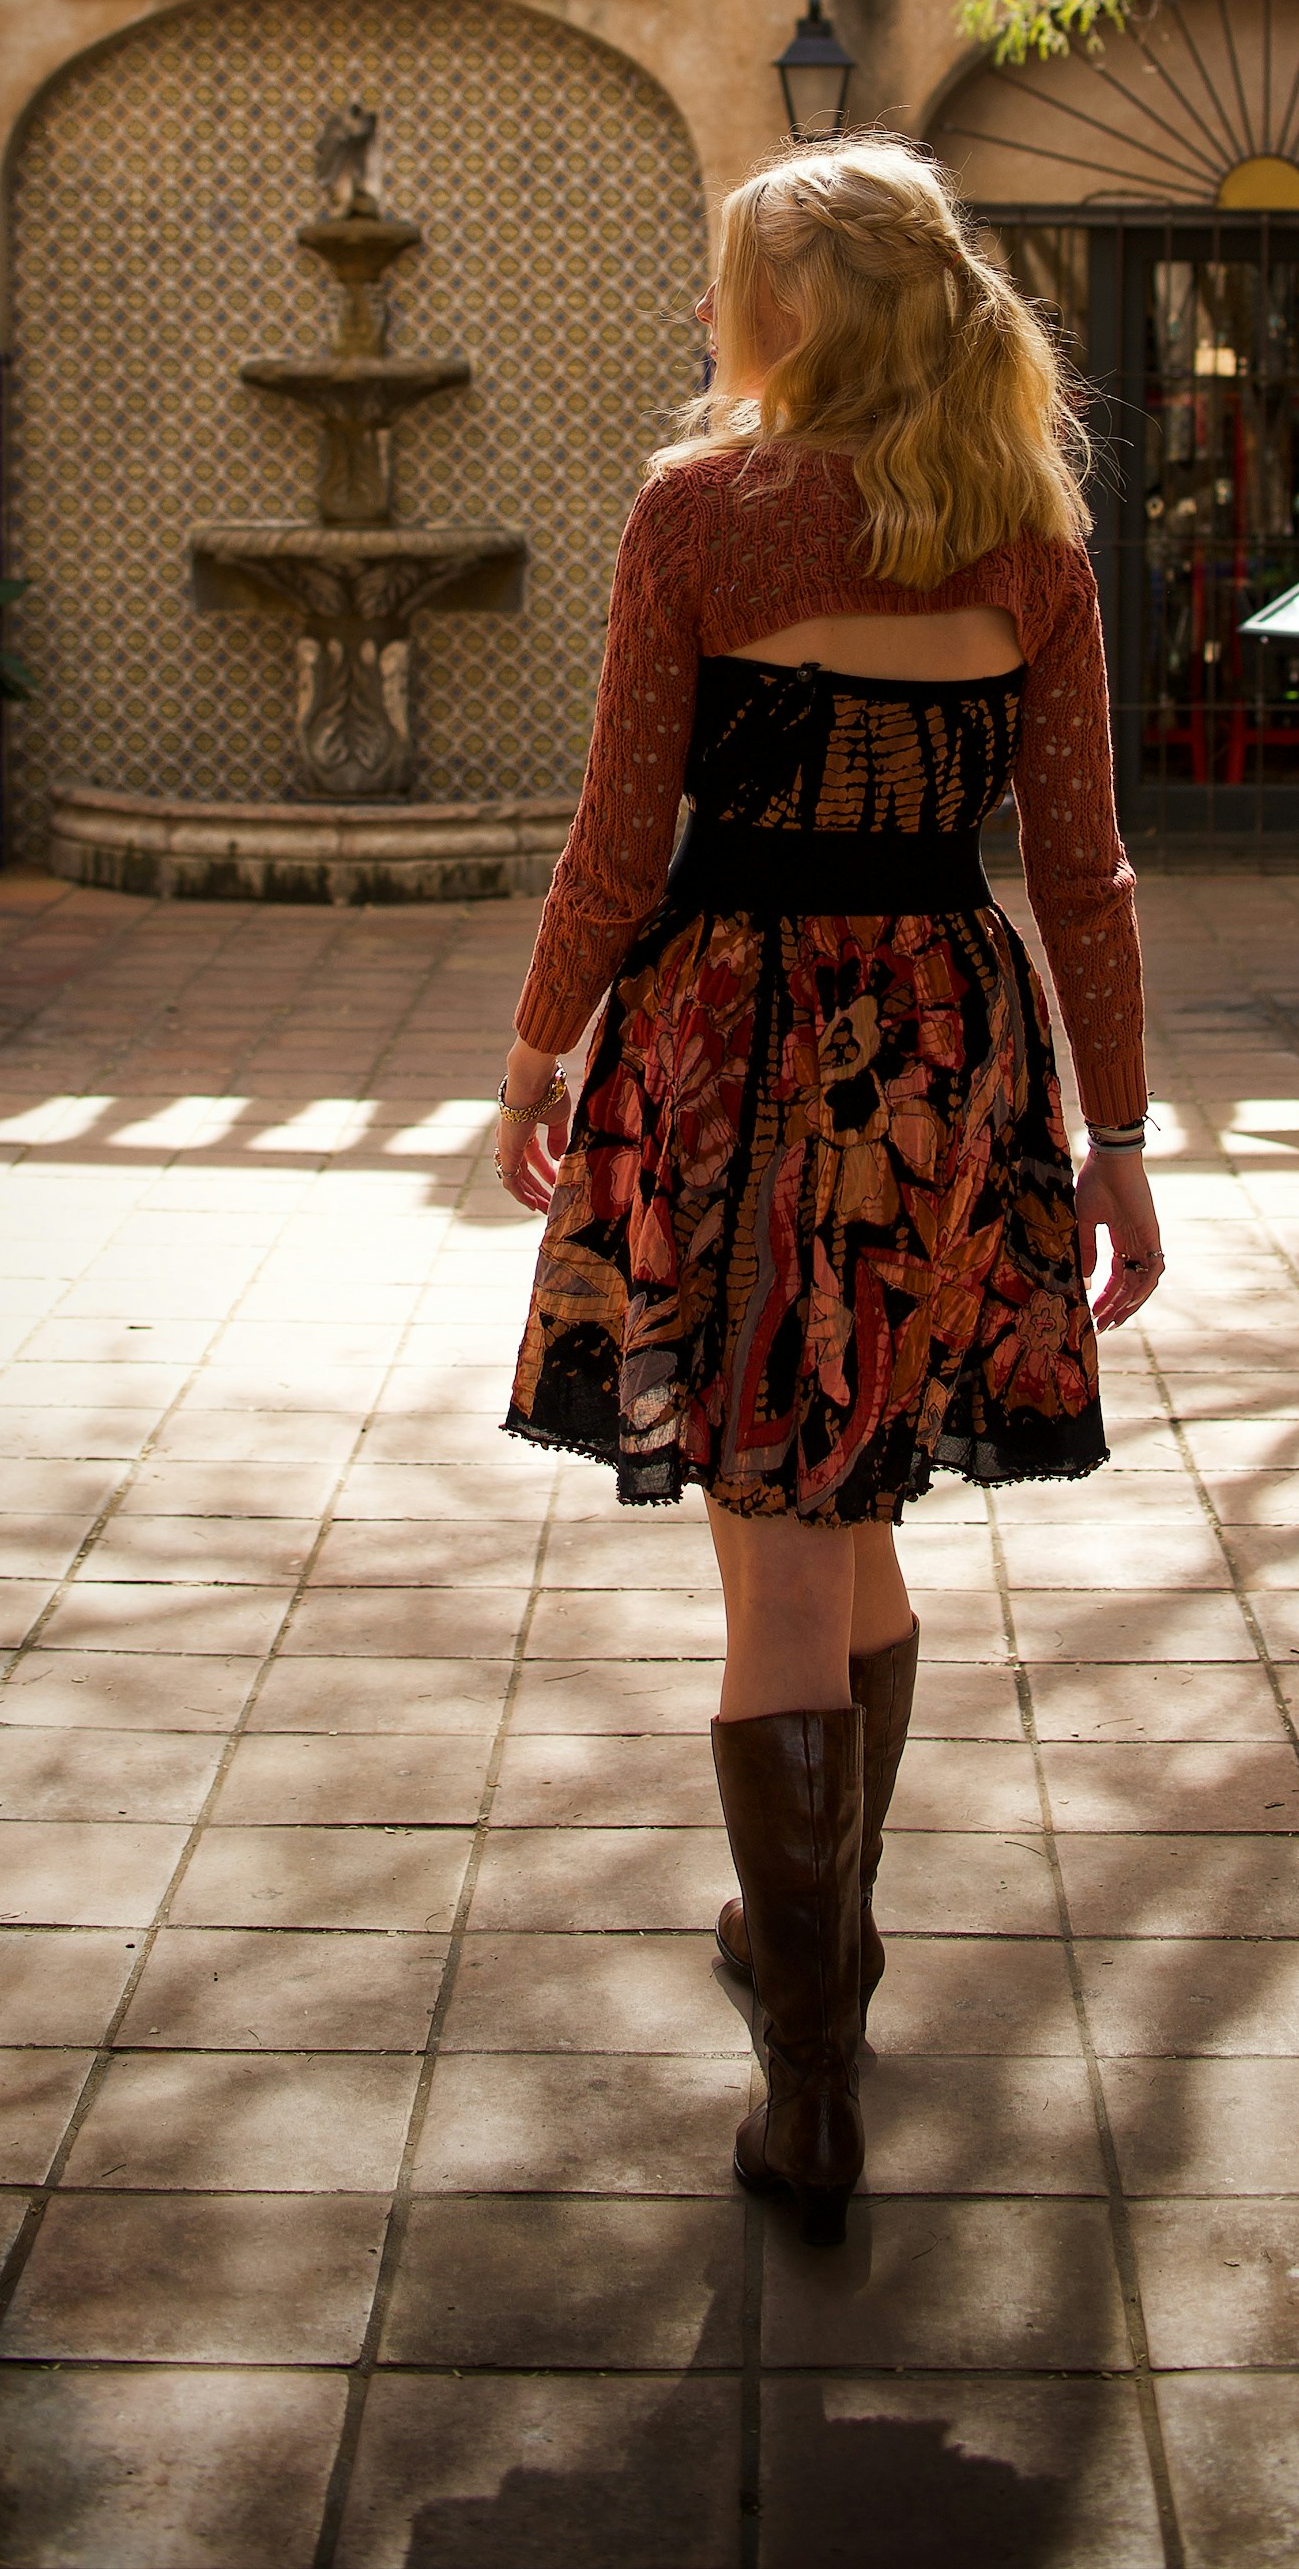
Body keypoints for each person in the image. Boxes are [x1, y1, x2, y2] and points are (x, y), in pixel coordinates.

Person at [493, 136, 1163, 2244]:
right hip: (948, 1051)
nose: (709, 319)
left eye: (729, 287)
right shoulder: (1025, 533)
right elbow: (1082, 872)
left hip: (740, 1043)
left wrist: (535, 1038)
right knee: (848, 1510)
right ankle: (825, 1928)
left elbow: (619, 833)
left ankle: (807, 2079)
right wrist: (1122, 1137)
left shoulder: (702, 509)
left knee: (775, 1561)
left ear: (792, 312)